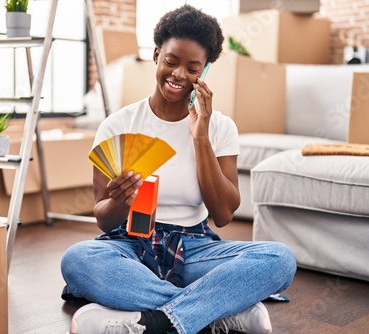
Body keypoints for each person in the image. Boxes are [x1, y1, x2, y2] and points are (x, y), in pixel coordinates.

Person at [60, 4, 297, 334]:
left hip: (195, 249)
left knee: (280, 259)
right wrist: (122, 200)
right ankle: (213, 312)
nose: (179, 75)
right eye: (171, 61)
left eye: (192, 68)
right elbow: (103, 217)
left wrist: (201, 137)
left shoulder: (221, 128)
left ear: (205, 71)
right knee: (77, 259)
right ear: (156, 55)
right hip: (129, 245)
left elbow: (224, 214)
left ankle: (155, 319)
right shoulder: (118, 124)